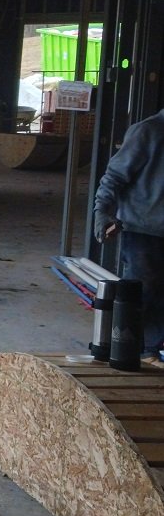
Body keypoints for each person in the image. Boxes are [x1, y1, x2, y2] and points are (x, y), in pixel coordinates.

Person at [94, 109, 164, 360]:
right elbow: (114, 177)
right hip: (143, 231)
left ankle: (150, 352)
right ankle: (127, 352)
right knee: (140, 295)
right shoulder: (148, 131)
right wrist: (102, 211)